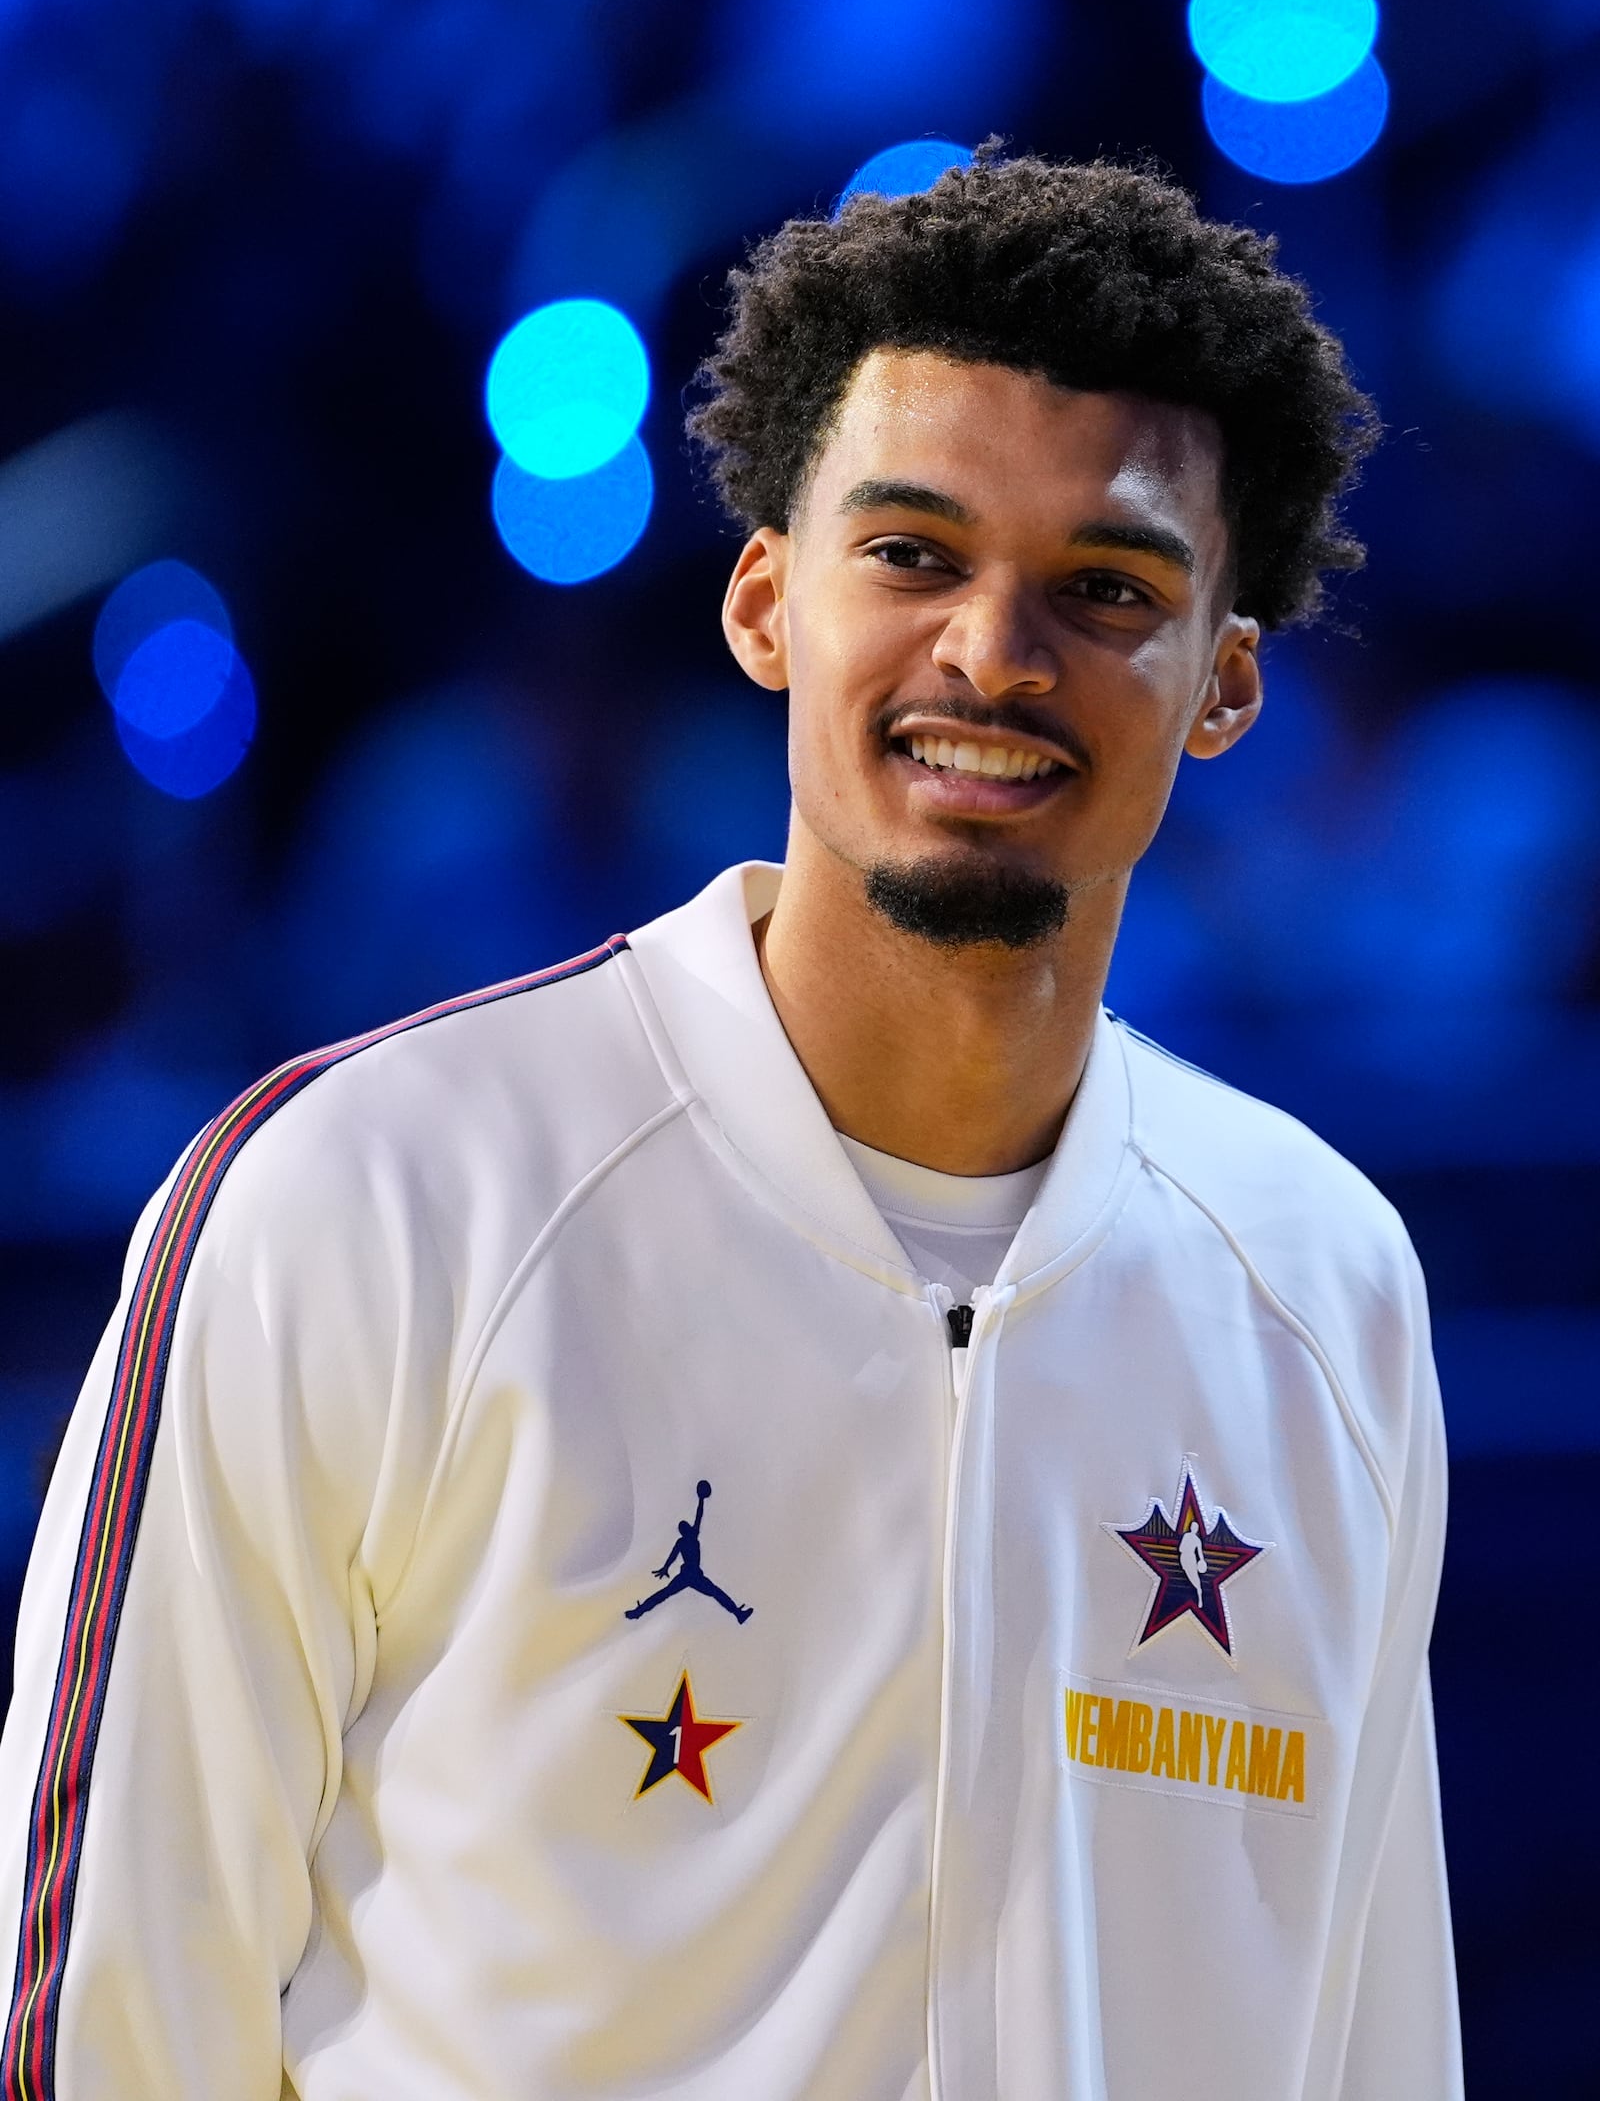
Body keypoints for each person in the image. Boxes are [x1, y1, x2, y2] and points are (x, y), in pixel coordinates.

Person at [0, 154, 1461, 2099]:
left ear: (1223, 686)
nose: (993, 655)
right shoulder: (361, 1202)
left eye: (1104, 591)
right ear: (765, 600)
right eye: (912, 553)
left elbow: (1374, 2049)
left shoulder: (1324, 1283)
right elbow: (104, 2032)